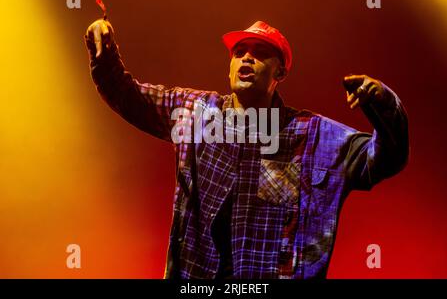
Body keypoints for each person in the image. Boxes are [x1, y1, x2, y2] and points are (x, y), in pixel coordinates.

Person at [84, 19, 409, 279]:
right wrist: (103, 50)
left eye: (260, 51)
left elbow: (385, 159)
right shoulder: (195, 112)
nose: (247, 57)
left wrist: (384, 105)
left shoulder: (314, 135)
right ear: (229, 67)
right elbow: (126, 95)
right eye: (240, 51)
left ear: (280, 72)